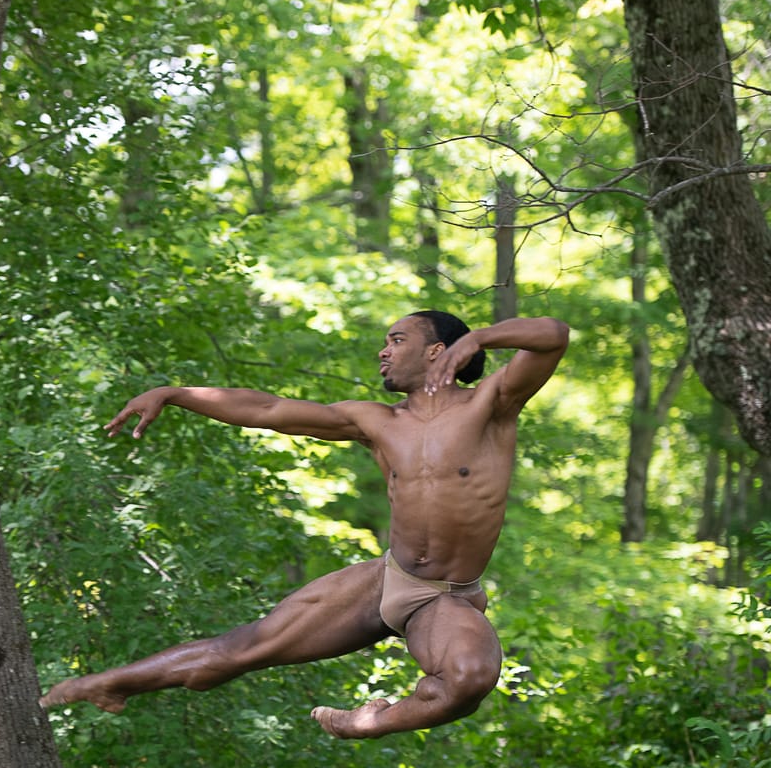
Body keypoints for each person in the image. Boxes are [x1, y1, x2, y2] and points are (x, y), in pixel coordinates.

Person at [40, 310, 569, 739]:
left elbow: (552, 335)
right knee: (237, 653)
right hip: (389, 579)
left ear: (438, 351)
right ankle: (106, 685)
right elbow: (269, 408)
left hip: (443, 597)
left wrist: (479, 336)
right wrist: (177, 394)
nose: (383, 351)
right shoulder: (377, 421)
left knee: (468, 680)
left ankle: (366, 722)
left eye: (397, 339)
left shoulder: (492, 405)